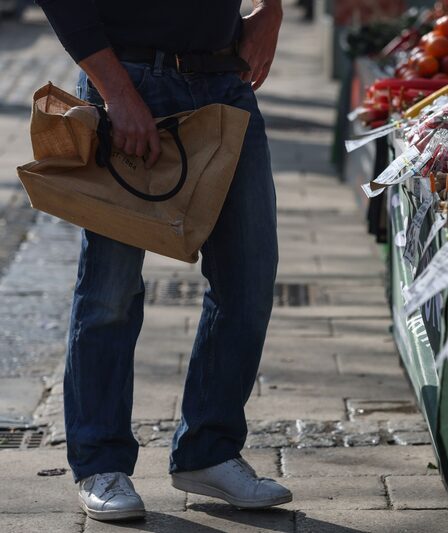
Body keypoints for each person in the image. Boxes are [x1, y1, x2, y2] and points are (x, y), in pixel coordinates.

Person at [38, 0, 289, 522]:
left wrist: (272, 8)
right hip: (127, 81)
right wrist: (117, 93)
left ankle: (208, 451)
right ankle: (100, 463)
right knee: (110, 292)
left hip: (225, 83)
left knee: (249, 280)